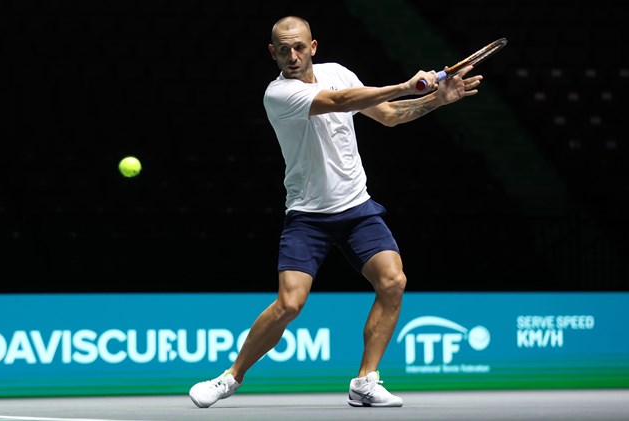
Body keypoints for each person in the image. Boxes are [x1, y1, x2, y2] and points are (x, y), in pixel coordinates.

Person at [189, 15, 483, 408]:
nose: (292, 55)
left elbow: (390, 116)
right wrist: (403, 85)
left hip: (357, 207)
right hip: (308, 215)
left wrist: (435, 99)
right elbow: (339, 102)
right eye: (283, 49)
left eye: (299, 47)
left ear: (313, 47)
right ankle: (230, 378)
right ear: (272, 53)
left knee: (393, 282)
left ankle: (366, 381)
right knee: (289, 304)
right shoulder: (278, 95)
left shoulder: (339, 72)